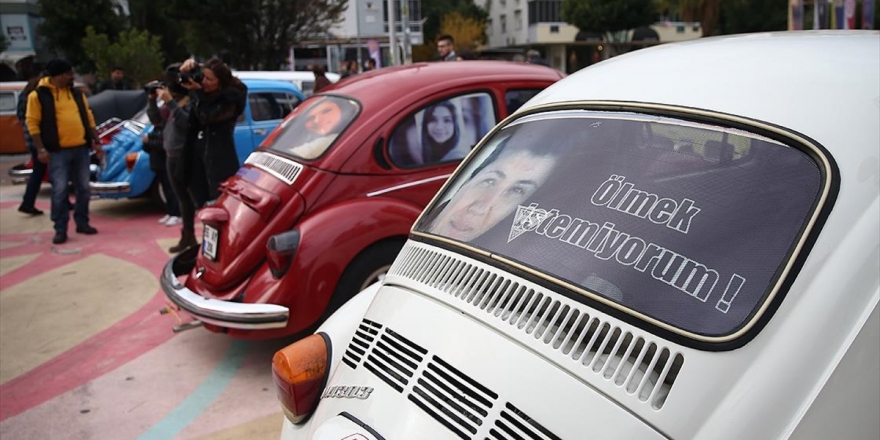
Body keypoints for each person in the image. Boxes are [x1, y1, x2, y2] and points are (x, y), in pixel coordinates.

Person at [425, 133, 560, 242]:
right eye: (490, 181)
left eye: (517, 191)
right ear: (466, 181)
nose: (479, 209)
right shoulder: (422, 227)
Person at [26, 59, 103, 245]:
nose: (72, 77)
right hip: (57, 151)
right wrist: (40, 149)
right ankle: (60, 228)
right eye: (68, 73)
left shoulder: (76, 93)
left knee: (84, 188)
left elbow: (88, 117)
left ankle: (82, 222)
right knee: (59, 190)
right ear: (58, 76)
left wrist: (96, 141)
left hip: (81, 148)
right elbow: (32, 123)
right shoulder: (38, 96)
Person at [180, 57, 247, 202]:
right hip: (199, 163)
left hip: (219, 164)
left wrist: (197, 93)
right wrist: (186, 69)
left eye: (209, 79)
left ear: (221, 82)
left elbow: (207, 116)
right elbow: (175, 86)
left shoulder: (229, 100)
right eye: (203, 77)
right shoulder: (204, 95)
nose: (204, 82)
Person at [143, 81, 182, 228]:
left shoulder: (181, 103)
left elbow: (181, 123)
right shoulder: (166, 107)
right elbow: (155, 119)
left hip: (174, 151)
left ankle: (177, 213)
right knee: (167, 186)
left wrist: (170, 101)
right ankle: (171, 212)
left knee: (173, 187)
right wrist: (152, 99)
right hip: (163, 154)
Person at [16, 72, 46, 216]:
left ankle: (28, 202)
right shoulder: (36, 95)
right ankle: (27, 202)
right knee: (42, 170)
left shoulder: (25, 94)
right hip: (40, 139)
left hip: (32, 138)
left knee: (44, 170)